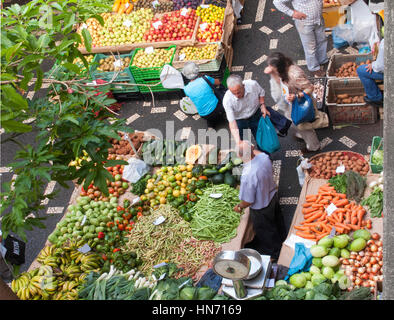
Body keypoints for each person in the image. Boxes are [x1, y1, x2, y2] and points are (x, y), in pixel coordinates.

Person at [234, 141, 287, 260]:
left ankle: (275, 253)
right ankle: (284, 237)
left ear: (239, 156)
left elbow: (248, 201)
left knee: (266, 231)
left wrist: (239, 206)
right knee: (277, 220)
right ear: (252, 149)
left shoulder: (248, 174)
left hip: (261, 207)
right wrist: (250, 148)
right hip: (272, 196)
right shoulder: (264, 157)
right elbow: (256, 152)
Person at [265, 52, 321, 152]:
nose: (269, 68)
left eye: (272, 67)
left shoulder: (294, 74)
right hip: (290, 102)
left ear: (279, 67)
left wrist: (296, 96)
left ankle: (314, 146)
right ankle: (301, 135)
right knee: (293, 121)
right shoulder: (282, 70)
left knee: (303, 127)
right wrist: (272, 72)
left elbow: (310, 88)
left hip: (299, 104)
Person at [273, 0, 328, 77]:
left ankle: (322, 60)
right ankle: (314, 68)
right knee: (310, 47)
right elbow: (277, 2)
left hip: (318, 19)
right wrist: (292, 13)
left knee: (322, 40)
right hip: (304, 23)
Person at [222, 74, 271, 150]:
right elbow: (232, 122)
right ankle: (248, 158)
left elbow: (261, 93)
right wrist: (238, 142)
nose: (237, 95)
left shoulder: (252, 84)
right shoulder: (227, 100)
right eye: (233, 93)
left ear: (243, 85)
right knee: (243, 142)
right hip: (240, 120)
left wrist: (262, 105)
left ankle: (264, 156)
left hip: (255, 114)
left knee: (261, 138)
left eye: (238, 92)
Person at [182, 62, 226, 128]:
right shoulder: (205, 78)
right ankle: (224, 114)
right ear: (197, 70)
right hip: (217, 108)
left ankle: (211, 126)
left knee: (210, 118)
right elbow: (218, 82)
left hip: (204, 115)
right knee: (222, 95)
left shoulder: (186, 89)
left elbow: (190, 96)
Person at [356, 38, 384, 107]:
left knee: (361, 70)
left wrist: (373, 65)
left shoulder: (386, 43)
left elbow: (380, 67)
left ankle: (375, 98)